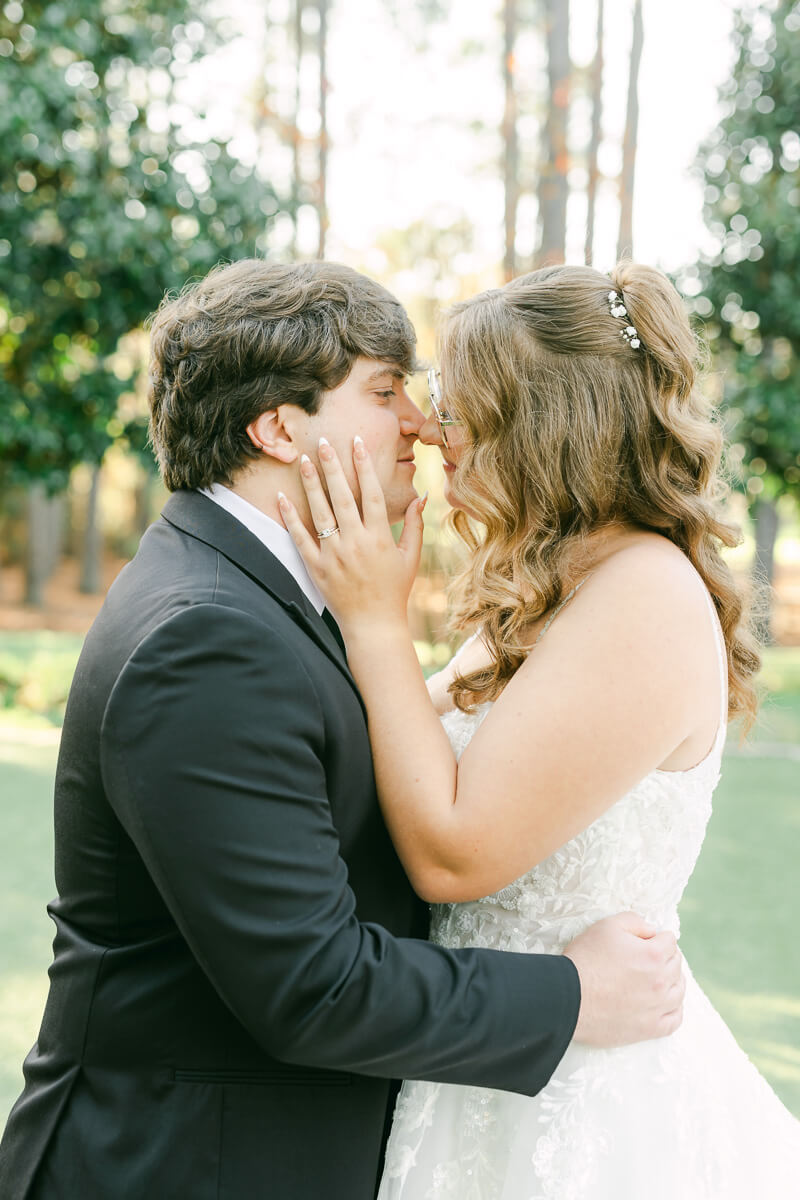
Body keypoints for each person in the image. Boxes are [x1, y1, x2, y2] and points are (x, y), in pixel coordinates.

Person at [0, 260, 684, 1200]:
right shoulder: (206, 636)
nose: (422, 425)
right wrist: (574, 995)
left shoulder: (259, 595)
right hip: (185, 1164)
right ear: (280, 427)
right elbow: (313, 985)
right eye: (386, 389)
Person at [279, 261, 800, 1198]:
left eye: (465, 415)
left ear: (547, 428)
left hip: (580, 1100)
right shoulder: (551, 590)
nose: (439, 438)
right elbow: (406, 742)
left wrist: (373, 620)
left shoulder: (641, 596)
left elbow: (452, 854)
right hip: (482, 1065)